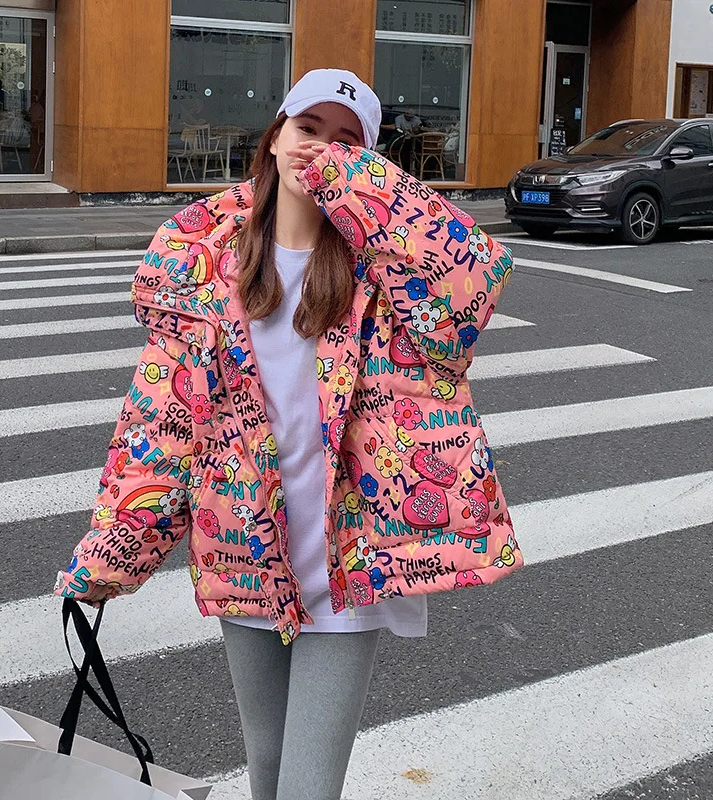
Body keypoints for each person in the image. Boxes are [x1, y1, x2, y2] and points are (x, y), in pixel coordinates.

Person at [55, 68, 522, 800]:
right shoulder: (204, 260)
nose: (320, 149)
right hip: (243, 544)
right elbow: (162, 422)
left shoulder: (386, 271)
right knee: (267, 768)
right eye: (308, 129)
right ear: (275, 137)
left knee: (308, 787)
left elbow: (467, 292)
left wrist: (357, 187)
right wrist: (113, 551)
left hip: (352, 557)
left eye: (347, 140)